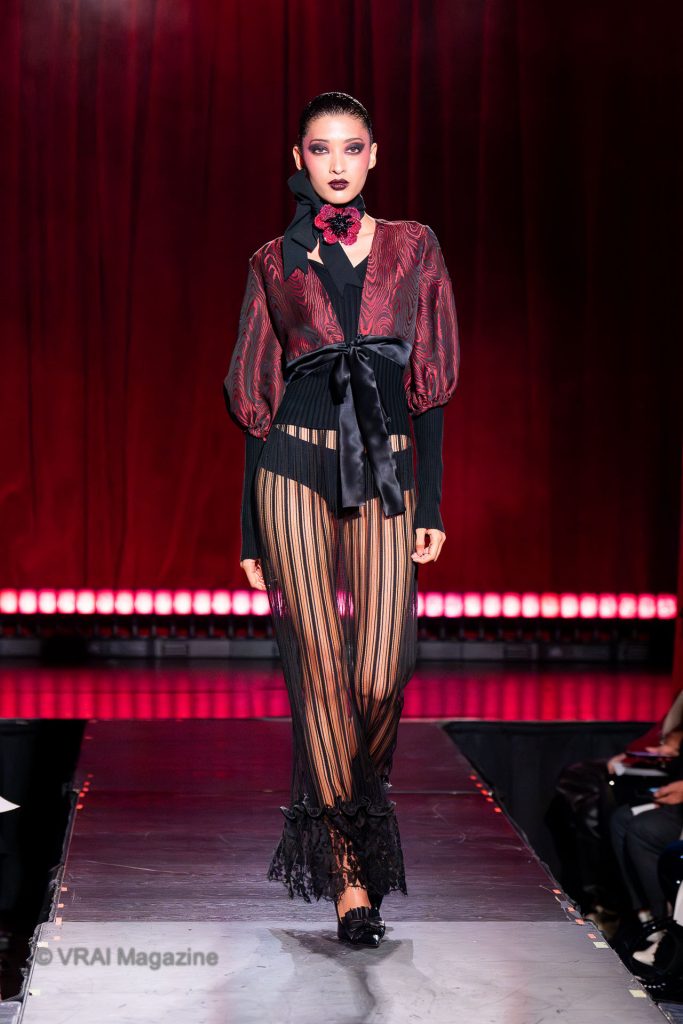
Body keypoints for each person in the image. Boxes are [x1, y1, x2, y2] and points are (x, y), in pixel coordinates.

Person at [223, 91, 460, 946]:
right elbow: (255, 394)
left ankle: (362, 804)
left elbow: (430, 377)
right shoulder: (272, 258)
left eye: (350, 147)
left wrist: (431, 501)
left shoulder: (413, 245)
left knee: (379, 675)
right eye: (319, 149)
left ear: (372, 156)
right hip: (291, 467)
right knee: (319, 673)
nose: (335, 163)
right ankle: (349, 876)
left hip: (383, 466)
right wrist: (248, 531)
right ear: (299, 158)